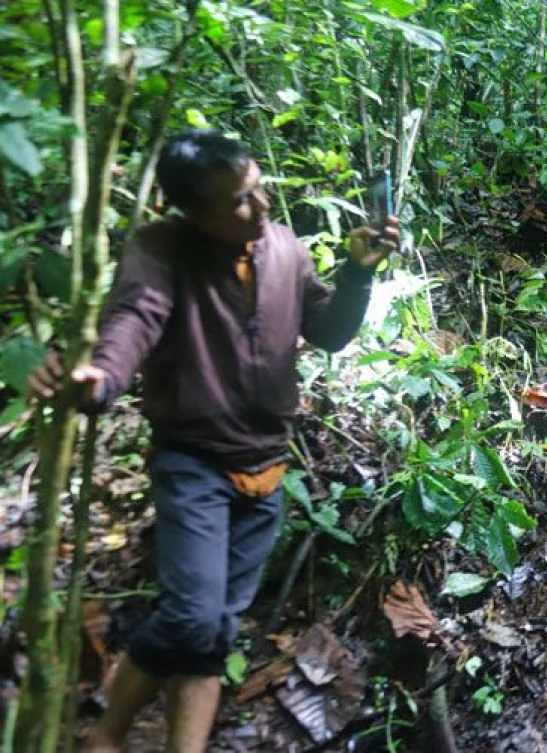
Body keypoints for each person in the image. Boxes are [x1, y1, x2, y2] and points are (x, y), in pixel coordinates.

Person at [27, 129, 399, 753]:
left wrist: (358, 275)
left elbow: (328, 331)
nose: (260, 206)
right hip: (193, 460)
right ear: (193, 214)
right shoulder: (162, 248)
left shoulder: (284, 247)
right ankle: (108, 735)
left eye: (258, 188)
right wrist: (99, 375)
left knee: (214, 632)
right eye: (239, 201)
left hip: (268, 468)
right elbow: (135, 318)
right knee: (196, 618)